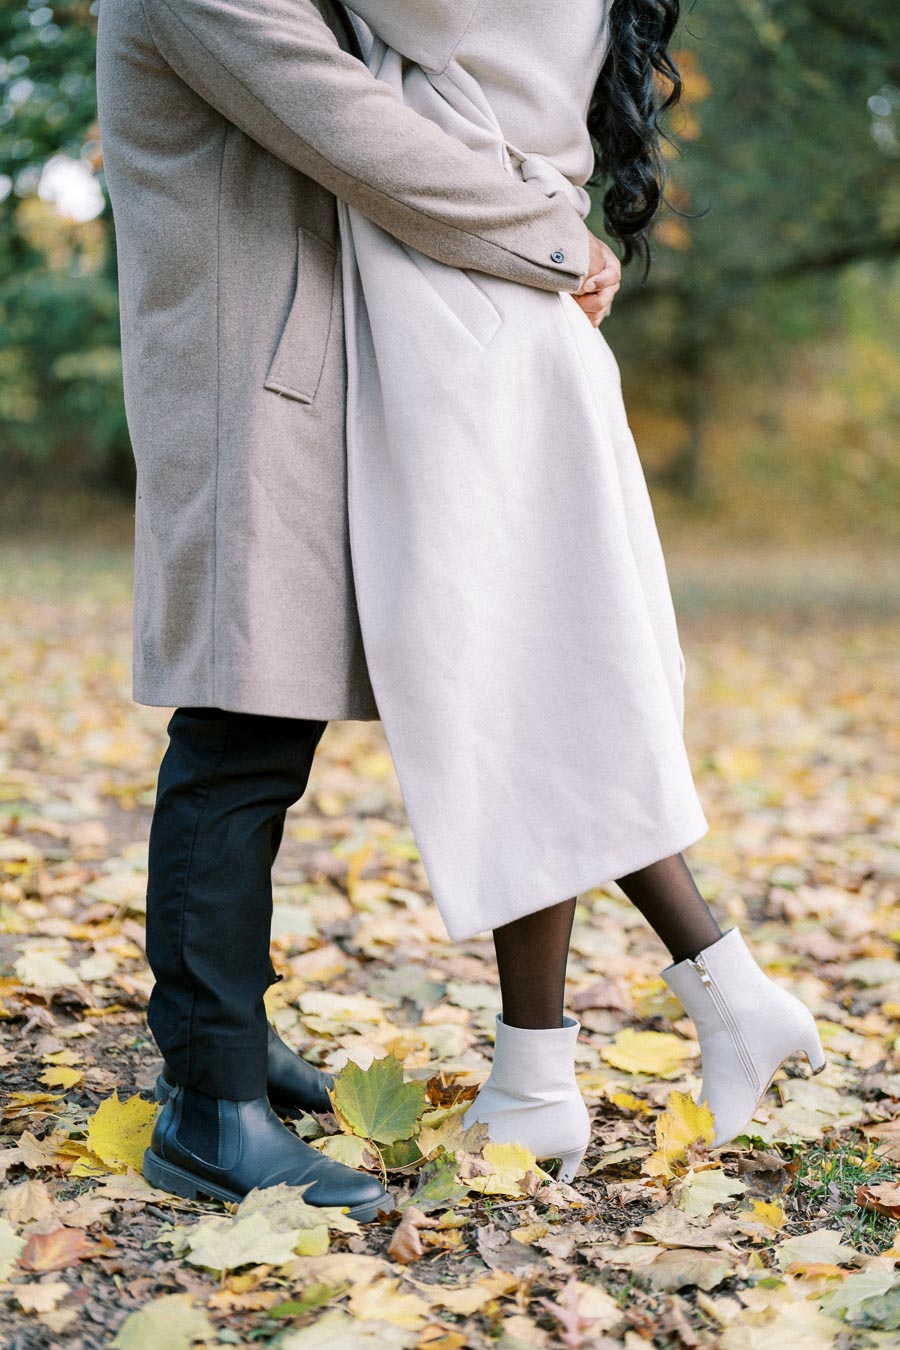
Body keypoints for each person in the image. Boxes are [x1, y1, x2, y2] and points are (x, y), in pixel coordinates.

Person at [95, 0, 612, 1220]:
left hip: (300, 375)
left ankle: (226, 1036)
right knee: (238, 731)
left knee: (268, 726)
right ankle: (210, 1111)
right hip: (246, 380)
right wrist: (552, 235)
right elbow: (361, 131)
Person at [330, 0, 826, 1184]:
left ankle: (548, 1073)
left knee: (511, 690)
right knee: (529, 692)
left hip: (476, 331)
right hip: (491, 315)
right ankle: (647, 1024)